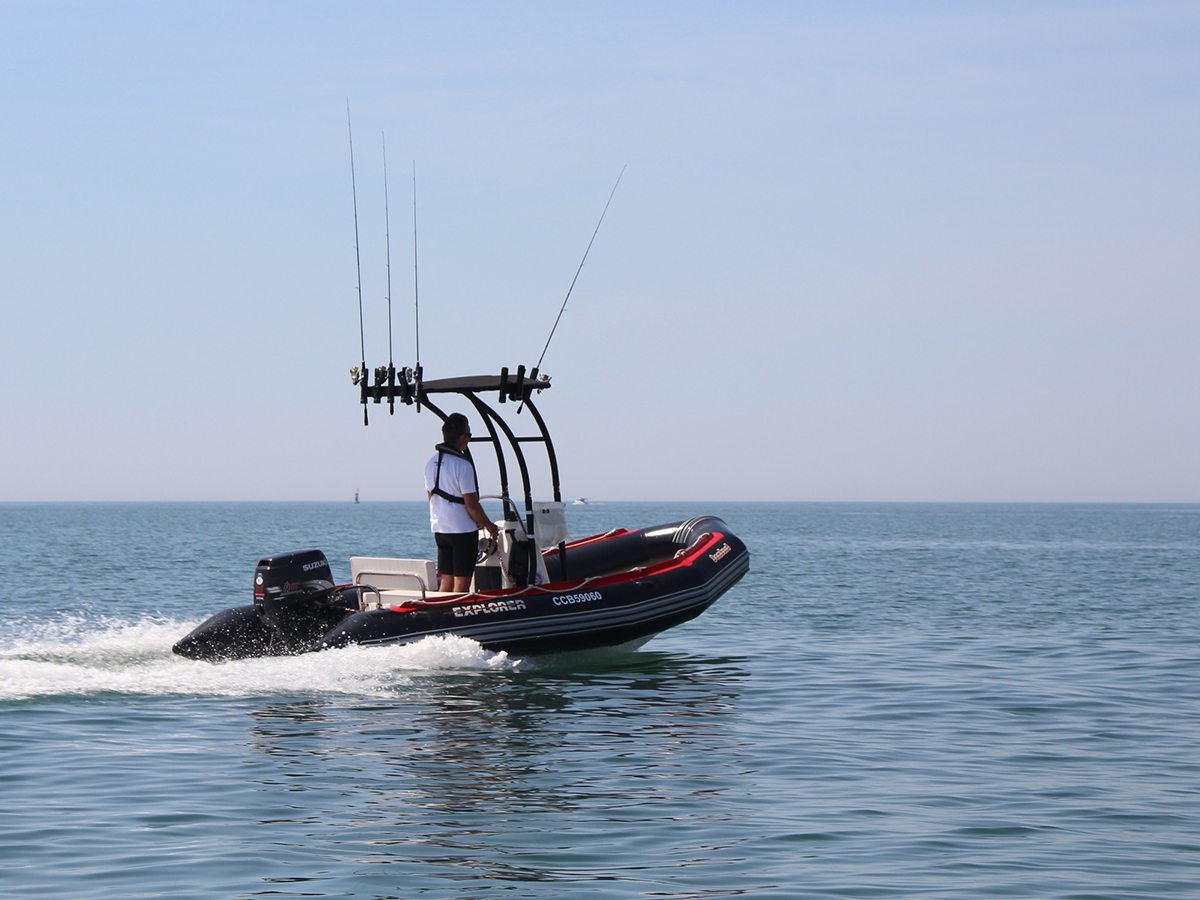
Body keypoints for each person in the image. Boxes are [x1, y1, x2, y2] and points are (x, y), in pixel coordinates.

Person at [425, 413, 499, 593]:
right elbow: (472, 506)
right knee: (462, 582)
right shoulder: (463, 465)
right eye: (469, 435)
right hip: (461, 531)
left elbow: (431, 498)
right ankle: (455, 615)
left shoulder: (430, 463)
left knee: (447, 579)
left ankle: (441, 613)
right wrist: (490, 526)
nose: (469, 439)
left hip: (440, 529)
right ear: (461, 438)